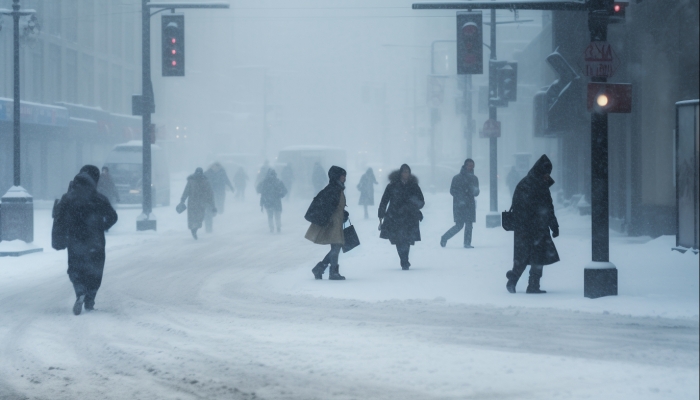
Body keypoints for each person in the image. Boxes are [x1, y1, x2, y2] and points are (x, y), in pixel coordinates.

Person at [52, 165, 118, 315]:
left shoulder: (67, 198)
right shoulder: (99, 198)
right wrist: (103, 226)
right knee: (95, 271)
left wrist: (63, 234)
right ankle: (90, 300)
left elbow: (59, 218)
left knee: (75, 268)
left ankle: (80, 290)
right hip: (96, 242)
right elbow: (113, 217)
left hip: (74, 241)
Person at [505, 155, 560, 294]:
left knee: (527, 256)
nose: (548, 176)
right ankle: (529, 284)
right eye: (546, 173)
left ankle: (521, 282)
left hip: (527, 227)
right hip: (534, 227)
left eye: (549, 173)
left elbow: (548, 206)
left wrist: (554, 225)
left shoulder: (528, 183)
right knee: (534, 256)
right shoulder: (534, 184)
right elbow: (544, 207)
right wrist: (549, 223)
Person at [305, 166, 349, 280]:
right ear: (337, 176)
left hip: (337, 221)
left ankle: (321, 268)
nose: (344, 177)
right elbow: (328, 207)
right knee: (336, 246)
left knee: (336, 246)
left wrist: (343, 213)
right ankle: (332, 272)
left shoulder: (337, 188)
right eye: (342, 175)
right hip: (332, 222)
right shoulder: (333, 189)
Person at [378, 164, 425, 270]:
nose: (406, 174)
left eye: (407, 172)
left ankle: (405, 259)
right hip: (395, 216)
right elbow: (384, 200)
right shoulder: (392, 185)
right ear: (400, 173)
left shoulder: (414, 186)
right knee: (399, 239)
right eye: (404, 172)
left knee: (407, 239)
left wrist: (414, 202)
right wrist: (381, 213)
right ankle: (403, 260)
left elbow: (421, 201)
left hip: (410, 216)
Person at [440, 159, 480, 248]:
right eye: (469, 165)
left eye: (472, 165)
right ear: (465, 166)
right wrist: (460, 198)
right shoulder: (457, 178)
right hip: (459, 205)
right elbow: (452, 190)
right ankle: (444, 237)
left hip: (470, 204)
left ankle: (467, 243)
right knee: (459, 225)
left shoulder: (474, 178)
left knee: (469, 224)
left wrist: (475, 191)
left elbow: (476, 192)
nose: (471, 167)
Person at [179, 168, 216, 240]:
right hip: (196, 203)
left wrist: (212, 205)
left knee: (199, 218)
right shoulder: (192, 181)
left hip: (197, 203)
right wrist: (182, 200)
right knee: (194, 218)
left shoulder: (204, 181)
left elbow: (210, 194)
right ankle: (193, 230)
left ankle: (194, 229)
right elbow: (186, 191)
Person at [204, 162, 235, 233]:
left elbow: (227, 180)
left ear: (220, 167)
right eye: (214, 167)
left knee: (220, 203)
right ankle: (212, 214)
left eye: (217, 167)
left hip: (220, 191)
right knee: (211, 204)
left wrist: (231, 187)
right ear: (211, 167)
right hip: (211, 191)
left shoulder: (222, 173)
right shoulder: (207, 173)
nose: (216, 168)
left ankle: (219, 210)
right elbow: (202, 180)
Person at [257, 169, 287, 233]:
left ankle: (271, 228)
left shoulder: (264, 182)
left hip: (268, 201)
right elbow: (285, 190)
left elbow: (258, 189)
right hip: (276, 202)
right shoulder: (278, 181)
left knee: (270, 216)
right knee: (277, 215)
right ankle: (278, 228)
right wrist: (281, 195)